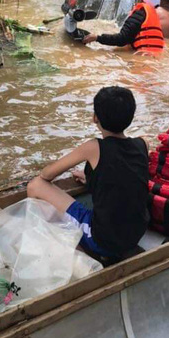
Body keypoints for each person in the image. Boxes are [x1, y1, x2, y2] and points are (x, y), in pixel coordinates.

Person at [26, 86, 150, 259]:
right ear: (131, 116)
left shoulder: (93, 147)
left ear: (95, 118)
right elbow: (122, 174)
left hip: (103, 240)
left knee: (35, 186)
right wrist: (91, 177)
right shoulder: (143, 144)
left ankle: (72, 250)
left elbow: (46, 175)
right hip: (136, 233)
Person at [83, 0, 165, 52]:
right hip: (151, 58)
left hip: (140, 60)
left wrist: (97, 38)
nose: (137, 2)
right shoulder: (154, 19)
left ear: (142, 1)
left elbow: (122, 39)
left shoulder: (139, 15)